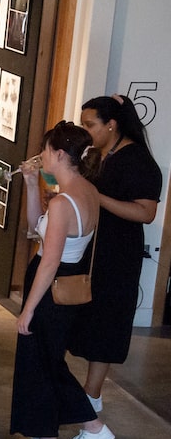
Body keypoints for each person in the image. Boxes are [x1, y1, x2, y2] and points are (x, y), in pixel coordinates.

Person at [6, 122, 110, 439]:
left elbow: (49, 260)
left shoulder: (66, 202)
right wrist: (31, 184)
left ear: (60, 154)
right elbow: (38, 227)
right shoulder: (86, 191)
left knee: (44, 364)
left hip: (50, 286)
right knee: (45, 363)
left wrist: (28, 309)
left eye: (46, 150)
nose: (42, 156)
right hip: (64, 281)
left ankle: (90, 428)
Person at [71, 94, 162, 418]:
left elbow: (145, 212)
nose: (86, 130)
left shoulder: (138, 161)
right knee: (89, 321)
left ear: (112, 125)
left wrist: (97, 197)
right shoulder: (98, 155)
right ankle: (86, 398)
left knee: (106, 325)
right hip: (94, 249)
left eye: (90, 124)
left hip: (117, 255)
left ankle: (91, 396)